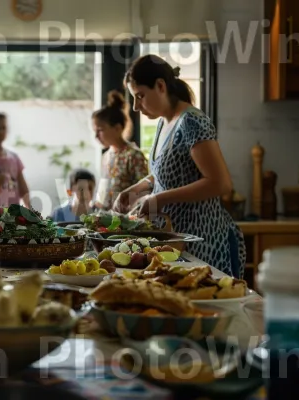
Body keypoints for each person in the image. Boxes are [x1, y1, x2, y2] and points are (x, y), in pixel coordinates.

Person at [113, 54, 246, 278]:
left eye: (140, 96)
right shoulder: (163, 123)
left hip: (202, 239)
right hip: (175, 241)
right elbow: (162, 175)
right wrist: (136, 190)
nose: (136, 106)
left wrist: (158, 199)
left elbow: (220, 183)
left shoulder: (192, 121)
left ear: (161, 86)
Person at [92, 90, 149, 210]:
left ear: (117, 128)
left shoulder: (134, 155)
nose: (96, 136)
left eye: (100, 130)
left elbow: (145, 190)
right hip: (105, 221)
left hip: (127, 222)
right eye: (95, 131)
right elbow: (103, 194)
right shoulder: (106, 156)